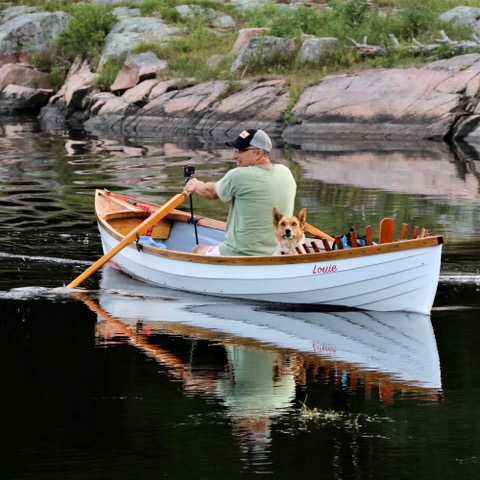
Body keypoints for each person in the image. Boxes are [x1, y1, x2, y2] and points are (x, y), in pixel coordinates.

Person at [183, 129, 297, 256]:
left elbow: (211, 192)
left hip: (241, 253)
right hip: (279, 253)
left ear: (258, 153)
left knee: (198, 250)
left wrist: (195, 185)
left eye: (240, 150)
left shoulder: (238, 175)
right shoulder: (285, 172)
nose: (234, 156)